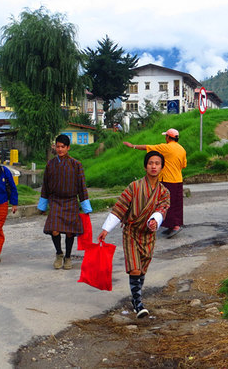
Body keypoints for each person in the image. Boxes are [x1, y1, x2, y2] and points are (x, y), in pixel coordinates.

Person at [97, 151, 170, 318]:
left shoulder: (164, 192)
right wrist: (106, 229)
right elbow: (121, 207)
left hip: (149, 235)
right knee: (135, 269)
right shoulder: (134, 187)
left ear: (161, 167)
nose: (153, 166)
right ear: (145, 166)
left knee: (142, 269)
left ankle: (136, 296)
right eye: (150, 163)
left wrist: (155, 220)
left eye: (157, 163)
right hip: (131, 232)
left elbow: (162, 209)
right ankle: (138, 304)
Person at [37, 134, 92, 270]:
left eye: (63, 147)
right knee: (54, 230)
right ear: (54, 147)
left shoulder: (76, 165)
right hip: (55, 201)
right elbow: (45, 185)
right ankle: (59, 253)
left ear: (68, 148)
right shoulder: (50, 164)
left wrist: (86, 207)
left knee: (69, 232)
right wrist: (43, 205)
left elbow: (81, 186)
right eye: (58, 146)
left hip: (71, 201)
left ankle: (68, 257)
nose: (60, 149)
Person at [123, 128, 186, 238]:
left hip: (168, 179)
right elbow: (183, 165)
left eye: (165, 136)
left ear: (168, 137)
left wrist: (132, 146)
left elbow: (147, 147)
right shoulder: (182, 149)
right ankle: (173, 226)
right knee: (176, 204)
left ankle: (174, 226)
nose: (165, 138)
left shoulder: (165, 147)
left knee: (166, 204)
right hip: (178, 179)